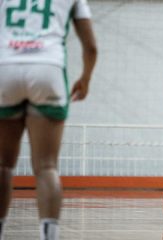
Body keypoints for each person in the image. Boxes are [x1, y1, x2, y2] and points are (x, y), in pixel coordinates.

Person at [0, 1, 97, 240]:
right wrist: (85, 79)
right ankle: (48, 236)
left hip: (6, 66)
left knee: (3, 165)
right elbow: (91, 47)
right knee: (46, 167)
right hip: (48, 69)